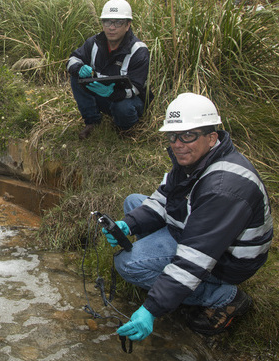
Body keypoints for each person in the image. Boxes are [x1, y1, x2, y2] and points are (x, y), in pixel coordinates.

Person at [104, 93, 273, 340]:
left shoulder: (224, 188)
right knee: (134, 202)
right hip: (201, 232)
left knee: (127, 264)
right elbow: (164, 199)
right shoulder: (194, 160)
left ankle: (224, 296)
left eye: (188, 135)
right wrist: (128, 225)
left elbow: (195, 259)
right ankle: (161, 272)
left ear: (211, 137)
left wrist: (152, 309)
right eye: (173, 136)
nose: (178, 143)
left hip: (227, 261)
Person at [66, 0, 152, 139]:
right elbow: (72, 59)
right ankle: (92, 122)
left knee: (123, 109)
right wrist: (78, 68)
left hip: (128, 99)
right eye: (107, 21)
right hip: (103, 94)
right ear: (102, 23)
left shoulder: (138, 50)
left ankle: (125, 130)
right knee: (76, 77)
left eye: (118, 22)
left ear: (128, 25)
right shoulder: (94, 43)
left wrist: (113, 94)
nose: (112, 27)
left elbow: (136, 87)